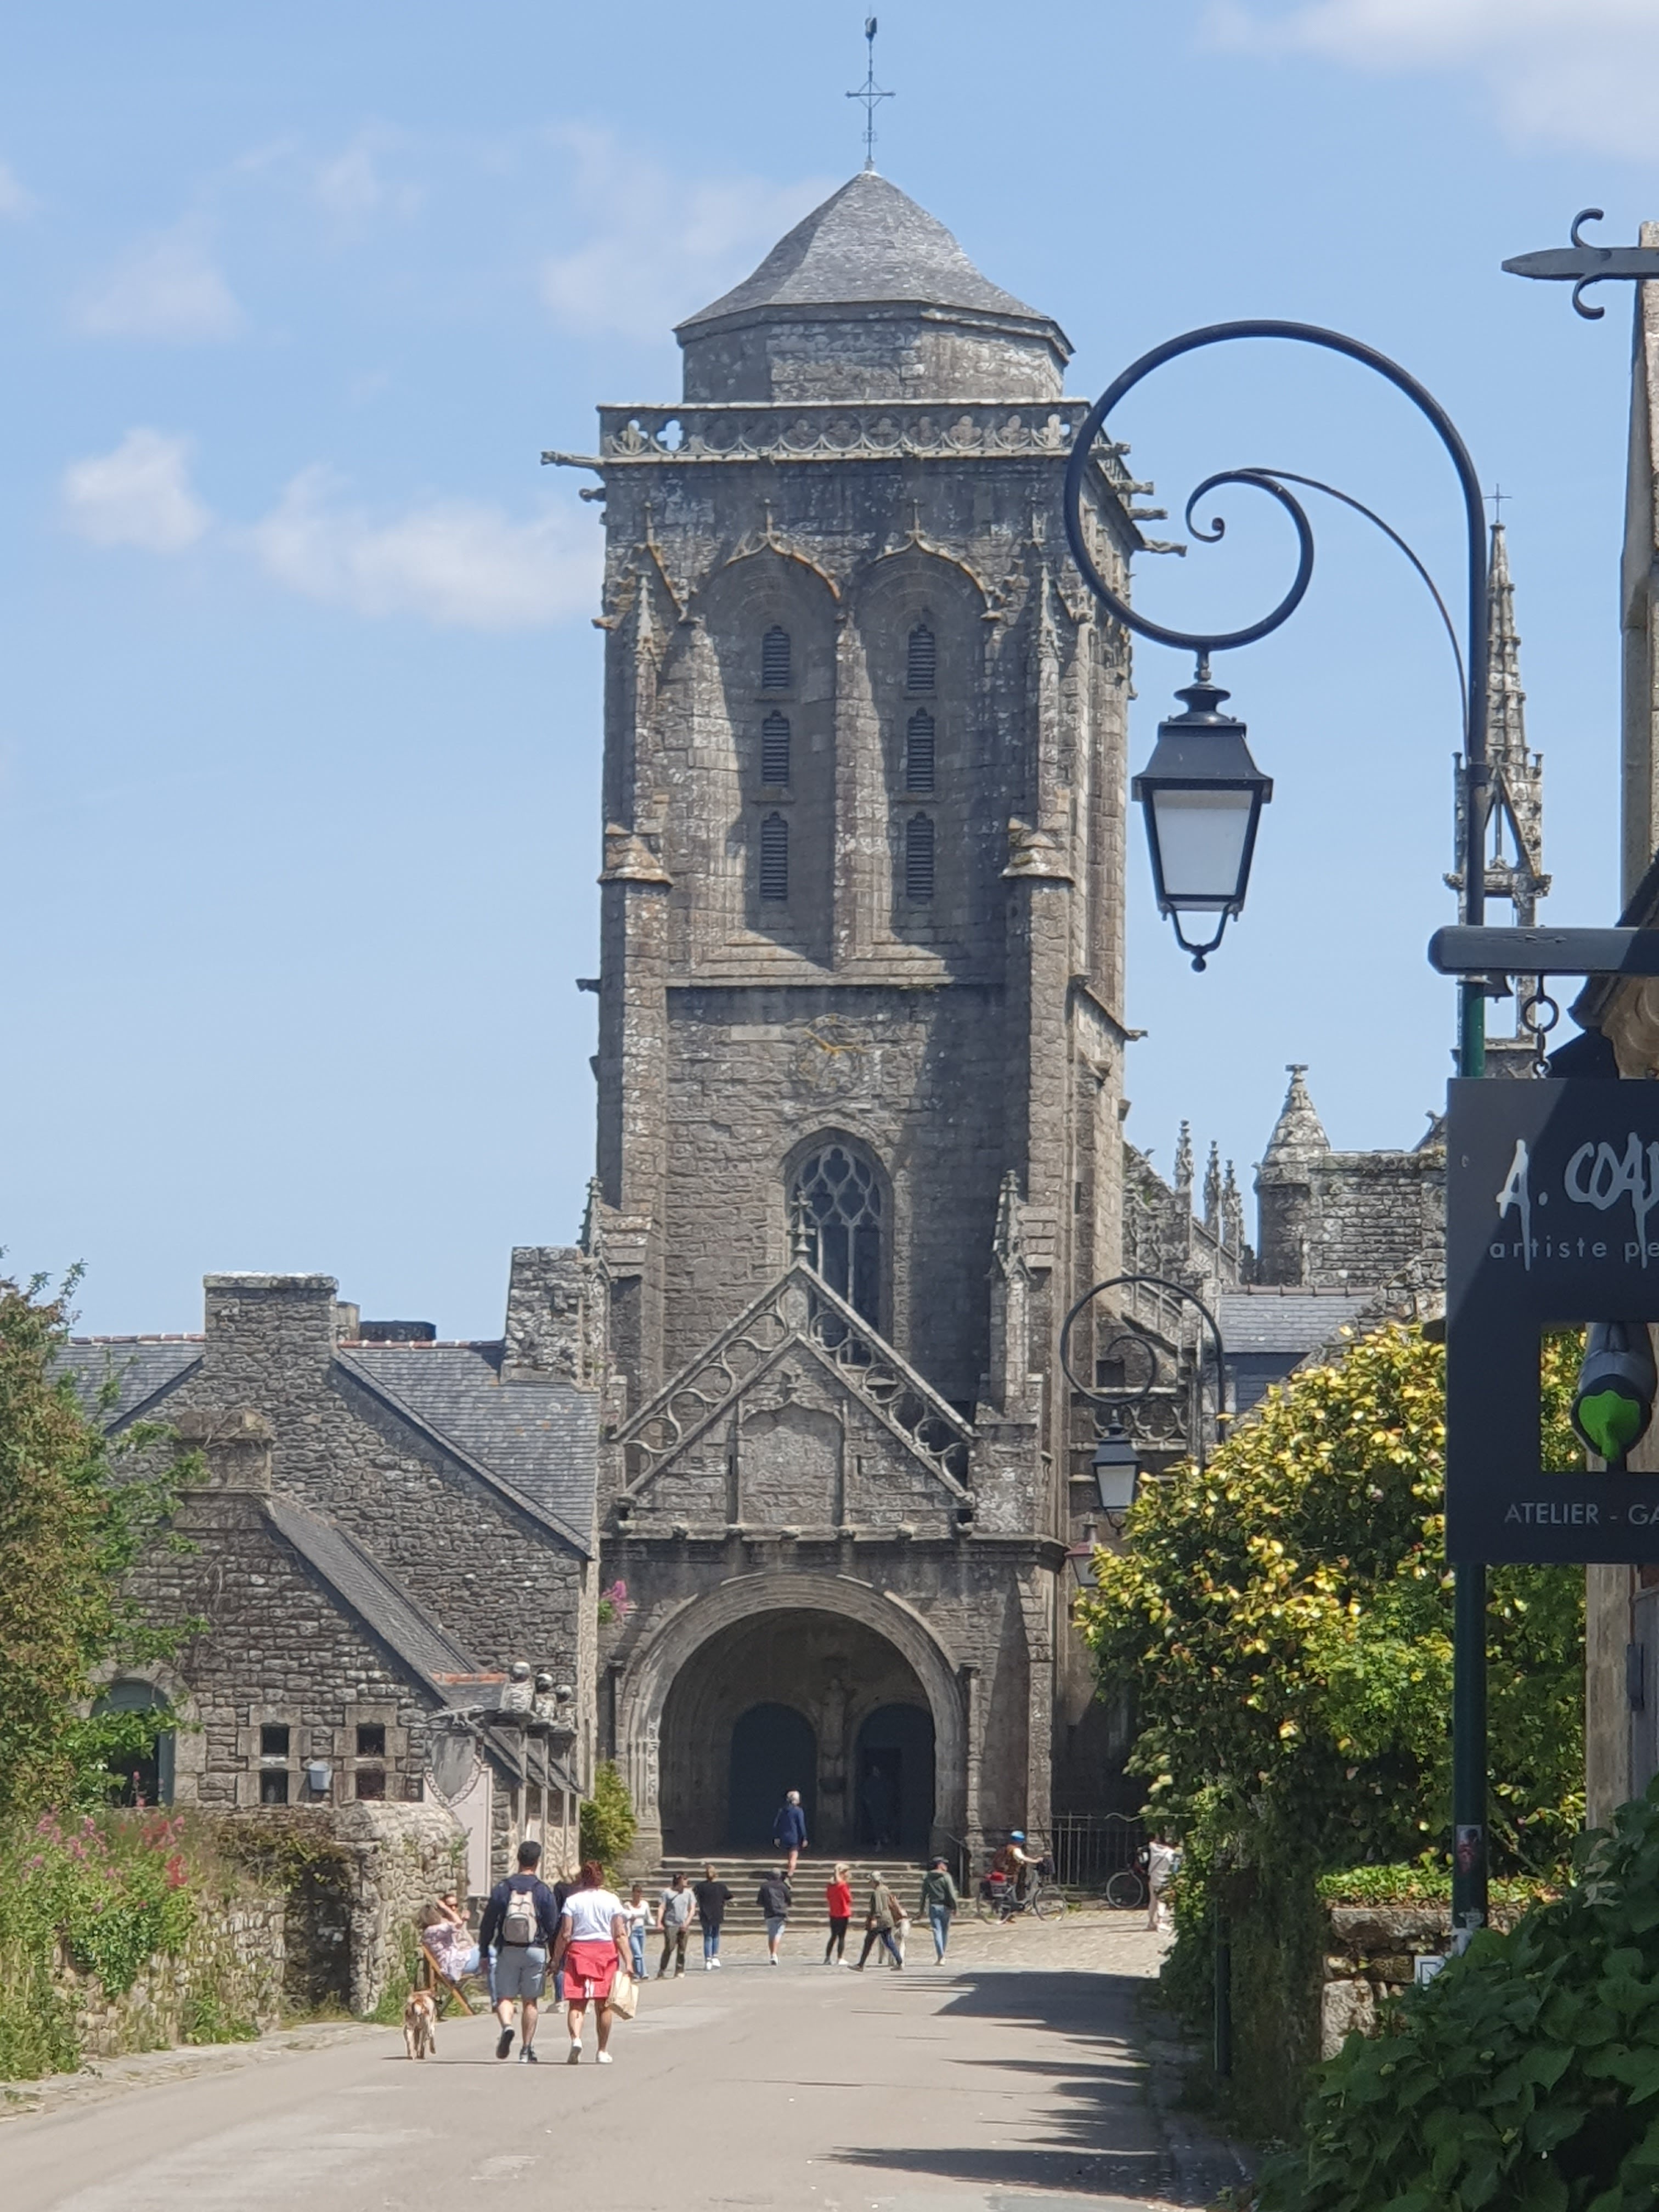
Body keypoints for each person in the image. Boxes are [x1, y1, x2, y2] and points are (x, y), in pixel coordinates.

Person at [477, 1839, 560, 2063]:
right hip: (535, 1949)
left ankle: (507, 2026)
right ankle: (526, 2049)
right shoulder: (542, 1891)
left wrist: (484, 1951)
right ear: (537, 1862)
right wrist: (555, 1957)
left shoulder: (503, 1888)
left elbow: (488, 1923)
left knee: (505, 1997)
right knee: (530, 2002)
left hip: (508, 1949)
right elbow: (553, 1927)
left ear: (518, 1859)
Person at [551, 1859, 629, 2065]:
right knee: (604, 2006)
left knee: (577, 2004)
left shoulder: (573, 1901)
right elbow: (620, 1933)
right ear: (601, 1877)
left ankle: (576, 2039)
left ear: (582, 1878)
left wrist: (556, 1960)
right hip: (605, 1953)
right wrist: (629, 1961)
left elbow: (565, 1934)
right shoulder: (611, 1900)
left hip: (579, 1952)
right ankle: (602, 2051)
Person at [422, 1888, 479, 1981]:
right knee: (492, 1954)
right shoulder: (441, 1927)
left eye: (456, 1905)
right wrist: (446, 1909)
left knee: (493, 1959)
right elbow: (457, 1925)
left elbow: (468, 1941)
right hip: (455, 1963)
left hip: (462, 1957)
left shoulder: (444, 1927)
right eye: (450, 1906)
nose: (453, 1909)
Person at [853, 1872, 904, 1971]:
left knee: (868, 1942)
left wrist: (874, 1920)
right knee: (889, 1941)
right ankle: (899, 1961)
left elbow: (878, 1908)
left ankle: (861, 1964)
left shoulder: (877, 1892)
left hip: (880, 1920)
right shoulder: (886, 1889)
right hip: (888, 1919)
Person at [918, 1857, 960, 1962]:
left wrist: (921, 1910)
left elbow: (923, 1895)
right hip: (946, 1907)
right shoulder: (946, 1877)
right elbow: (952, 1894)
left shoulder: (928, 1877)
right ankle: (942, 1954)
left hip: (933, 1906)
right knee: (945, 1931)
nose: (946, 1866)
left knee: (937, 1931)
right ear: (939, 1865)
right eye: (944, 1864)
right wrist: (955, 1907)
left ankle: (940, 1955)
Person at [693, 1862, 732, 1970]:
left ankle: (708, 1960)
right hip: (717, 1913)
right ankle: (715, 1956)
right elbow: (729, 1896)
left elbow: (694, 1895)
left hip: (705, 1913)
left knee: (707, 1936)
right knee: (715, 1935)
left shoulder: (700, 1886)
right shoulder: (721, 1886)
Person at [657, 1870, 694, 1978]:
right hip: (671, 1924)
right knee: (670, 1947)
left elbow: (692, 1909)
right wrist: (659, 1922)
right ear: (679, 1880)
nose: (687, 1881)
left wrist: (687, 1923)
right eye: (685, 1879)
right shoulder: (667, 1893)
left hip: (683, 1924)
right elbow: (662, 1907)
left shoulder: (689, 1893)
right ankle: (662, 1969)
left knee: (682, 1949)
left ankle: (679, 1969)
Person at [1143, 1834, 1181, 1932]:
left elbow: (1152, 1843)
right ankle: (1160, 1922)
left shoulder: (1153, 1848)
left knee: (1153, 1901)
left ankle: (1151, 1922)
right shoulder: (1171, 1854)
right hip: (1164, 1880)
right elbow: (1175, 1869)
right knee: (1162, 1901)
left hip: (1153, 1878)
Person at [757, 1866, 792, 1965]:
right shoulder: (783, 1886)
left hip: (769, 1912)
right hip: (781, 1912)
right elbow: (788, 1899)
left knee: (772, 1933)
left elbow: (760, 1901)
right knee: (778, 1933)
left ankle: (773, 1954)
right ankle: (774, 1954)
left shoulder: (764, 1887)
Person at [772, 1789, 808, 1876]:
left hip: (784, 1837)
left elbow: (777, 1824)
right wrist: (804, 1838)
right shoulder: (798, 1811)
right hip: (794, 1838)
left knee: (789, 1857)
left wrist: (777, 1836)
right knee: (793, 1858)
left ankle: (788, 1871)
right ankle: (790, 1875)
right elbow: (801, 1825)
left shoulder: (782, 1810)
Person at [823, 1861, 853, 1966]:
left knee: (833, 1936)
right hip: (843, 1913)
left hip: (833, 1913)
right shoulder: (843, 1885)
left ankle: (827, 1958)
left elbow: (828, 1897)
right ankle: (840, 1958)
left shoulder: (830, 1885)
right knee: (841, 1937)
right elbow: (849, 1898)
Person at [623, 1881, 652, 1982]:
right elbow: (624, 1917)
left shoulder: (645, 1904)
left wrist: (657, 1924)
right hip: (633, 1930)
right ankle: (640, 1973)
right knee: (637, 1954)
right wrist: (630, 1918)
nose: (638, 1894)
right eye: (636, 1892)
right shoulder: (627, 1905)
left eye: (640, 1892)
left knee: (640, 1953)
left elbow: (649, 1917)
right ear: (633, 1893)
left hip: (641, 1929)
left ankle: (639, 1972)